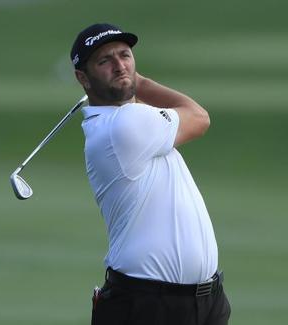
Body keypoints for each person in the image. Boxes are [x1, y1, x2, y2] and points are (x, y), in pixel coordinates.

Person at [70, 23, 231, 325]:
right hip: (147, 305)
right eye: (105, 61)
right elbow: (199, 117)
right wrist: (138, 81)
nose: (120, 66)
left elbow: (142, 109)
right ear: (83, 78)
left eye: (125, 56)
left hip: (203, 301)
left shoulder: (127, 120)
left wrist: (128, 85)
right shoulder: (123, 126)